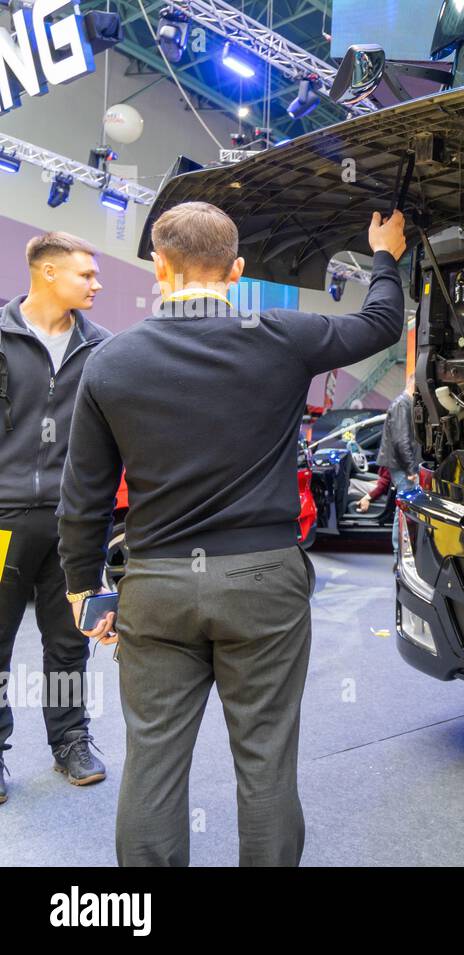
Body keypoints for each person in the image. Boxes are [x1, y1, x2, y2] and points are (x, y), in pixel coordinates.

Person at [57, 201, 407, 865]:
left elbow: (86, 493)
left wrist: (82, 586)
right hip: (263, 585)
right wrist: (384, 253)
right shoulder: (282, 334)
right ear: (238, 269)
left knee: (152, 766)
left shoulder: (109, 361)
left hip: (156, 588)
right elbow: (382, 322)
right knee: (267, 764)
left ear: (158, 266)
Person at [0, 232, 110, 805]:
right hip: (1, 523)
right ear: (47, 274)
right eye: (86, 275)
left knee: (69, 643)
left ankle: (71, 741)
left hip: (73, 527)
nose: (97, 283)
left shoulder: (102, 348)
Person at [376, 375, 420, 551]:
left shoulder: (404, 404)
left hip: (401, 466)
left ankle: (400, 553)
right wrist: (411, 469)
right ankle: (399, 553)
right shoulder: (402, 404)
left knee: (403, 509)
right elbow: (401, 441)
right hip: (402, 467)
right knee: (403, 510)